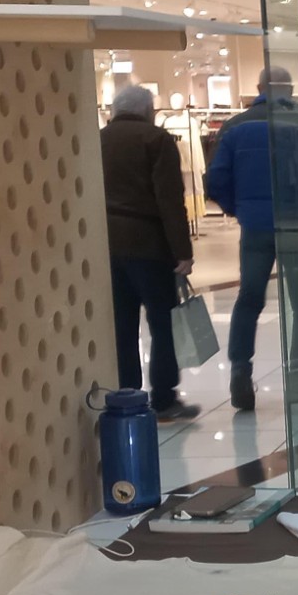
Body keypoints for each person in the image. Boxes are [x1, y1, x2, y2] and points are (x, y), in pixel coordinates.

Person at [203, 66, 298, 412]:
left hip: (255, 226)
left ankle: (240, 371)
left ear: (258, 88)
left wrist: (237, 208)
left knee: (249, 299)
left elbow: (216, 179)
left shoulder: (235, 126)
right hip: (297, 224)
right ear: (290, 88)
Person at [100, 84, 199, 424]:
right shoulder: (156, 140)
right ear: (147, 111)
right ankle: (164, 398)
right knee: (162, 324)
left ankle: (128, 397)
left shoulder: (97, 140)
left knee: (122, 327)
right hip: (149, 244)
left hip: (107, 244)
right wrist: (182, 251)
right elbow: (169, 200)